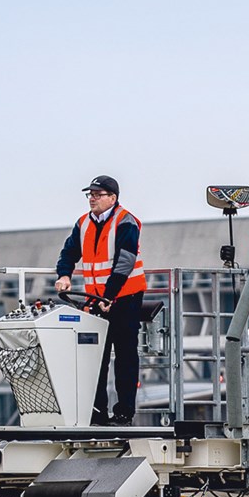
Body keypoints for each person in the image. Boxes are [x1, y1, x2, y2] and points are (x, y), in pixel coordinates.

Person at [54, 175, 146, 425]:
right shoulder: (83, 223)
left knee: (125, 357)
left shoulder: (126, 222)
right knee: (95, 358)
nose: (92, 198)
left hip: (125, 298)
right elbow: (69, 252)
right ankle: (97, 414)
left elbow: (125, 262)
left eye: (98, 194)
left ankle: (124, 414)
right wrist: (64, 274)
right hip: (95, 300)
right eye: (90, 194)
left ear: (112, 198)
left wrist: (109, 295)